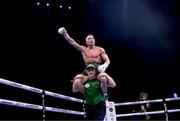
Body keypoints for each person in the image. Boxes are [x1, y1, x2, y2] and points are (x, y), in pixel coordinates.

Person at [58, 27, 111, 94]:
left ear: (94, 40)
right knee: (75, 86)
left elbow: (107, 60)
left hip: (97, 68)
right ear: (86, 42)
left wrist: (104, 66)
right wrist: (65, 34)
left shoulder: (100, 49)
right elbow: (73, 42)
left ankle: (105, 96)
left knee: (104, 79)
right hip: (87, 69)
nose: (91, 39)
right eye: (89, 38)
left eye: (92, 38)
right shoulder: (83, 49)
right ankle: (89, 95)